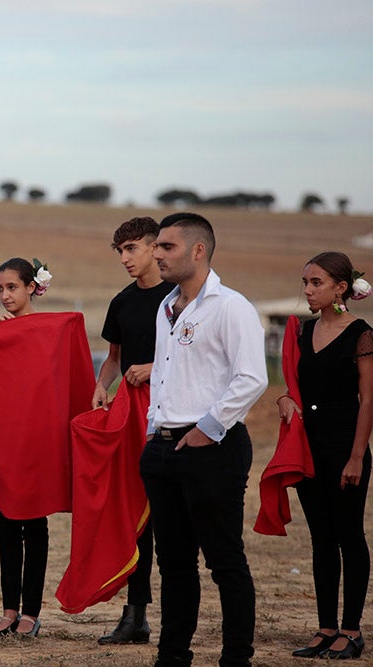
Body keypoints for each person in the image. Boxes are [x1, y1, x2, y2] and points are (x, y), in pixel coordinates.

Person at [140, 212, 267, 667]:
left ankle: (236, 658)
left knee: (224, 561)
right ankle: (172, 656)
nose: (157, 254)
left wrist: (206, 429)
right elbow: (165, 375)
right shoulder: (165, 306)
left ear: (198, 250)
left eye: (167, 247)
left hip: (213, 446)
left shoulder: (231, 306)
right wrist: (155, 430)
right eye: (156, 246)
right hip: (164, 446)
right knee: (173, 565)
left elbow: (252, 378)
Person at [277, 251, 372, 660]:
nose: (308, 291)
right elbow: (295, 387)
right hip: (308, 448)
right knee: (320, 539)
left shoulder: (361, 334)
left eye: (316, 283)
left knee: (349, 535)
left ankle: (351, 630)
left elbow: (368, 401)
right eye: (305, 283)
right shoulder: (302, 332)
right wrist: (283, 398)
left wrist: (356, 457)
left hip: (344, 446)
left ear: (340, 287)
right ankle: (325, 627)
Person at [91, 217, 173, 645]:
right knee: (134, 516)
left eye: (132, 249)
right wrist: (102, 385)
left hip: (173, 415)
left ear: (154, 247)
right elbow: (114, 356)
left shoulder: (179, 299)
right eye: (119, 251)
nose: (125, 258)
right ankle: (135, 615)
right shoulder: (121, 302)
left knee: (169, 516)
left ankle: (175, 617)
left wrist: (155, 369)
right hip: (129, 415)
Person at [0, 257, 50, 640]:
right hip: (5, 442)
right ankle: (9, 611)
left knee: (34, 525)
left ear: (31, 288)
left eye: (12, 288)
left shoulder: (46, 331)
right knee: (7, 524)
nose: (5, 295)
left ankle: (32, 613)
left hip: (35, 442)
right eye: (0, 289)